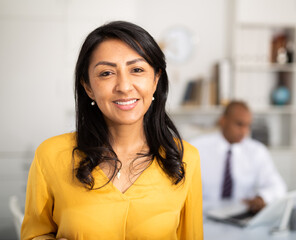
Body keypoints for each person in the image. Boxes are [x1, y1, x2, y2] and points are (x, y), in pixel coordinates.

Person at [21, 21, 203, 240]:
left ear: (156, 80)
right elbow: (34, 233)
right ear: (88, 86)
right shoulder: (50, 154)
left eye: (137, 70)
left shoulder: (185, 158)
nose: (124, 86)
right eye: (106, 73)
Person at [190, 100, 286, 213]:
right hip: (202, 215)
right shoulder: (196, 148)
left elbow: (278, 187)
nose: (244, 131)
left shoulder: (257, 151)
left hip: (241, 214)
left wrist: (262, 198)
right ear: (223, 121)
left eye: (248, 125)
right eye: (239, 124)